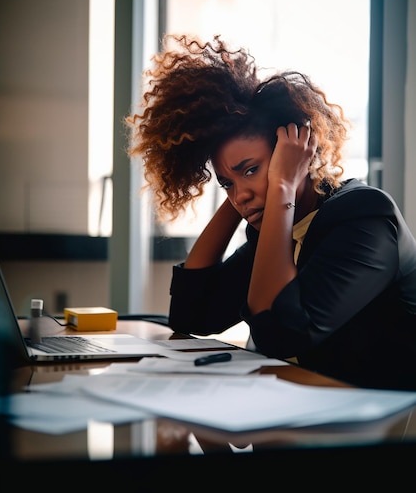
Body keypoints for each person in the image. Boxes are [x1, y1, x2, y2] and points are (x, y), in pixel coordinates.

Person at [125, 34, 416, 391]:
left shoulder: (365, 218)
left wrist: (279, 186)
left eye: (251, 169)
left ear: (294, 156)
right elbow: (192, 316)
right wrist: (237, 193)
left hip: (383, 426)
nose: (241, 195)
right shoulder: (280, 230)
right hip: (301, 413)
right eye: (225, 183)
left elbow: (281, 333)